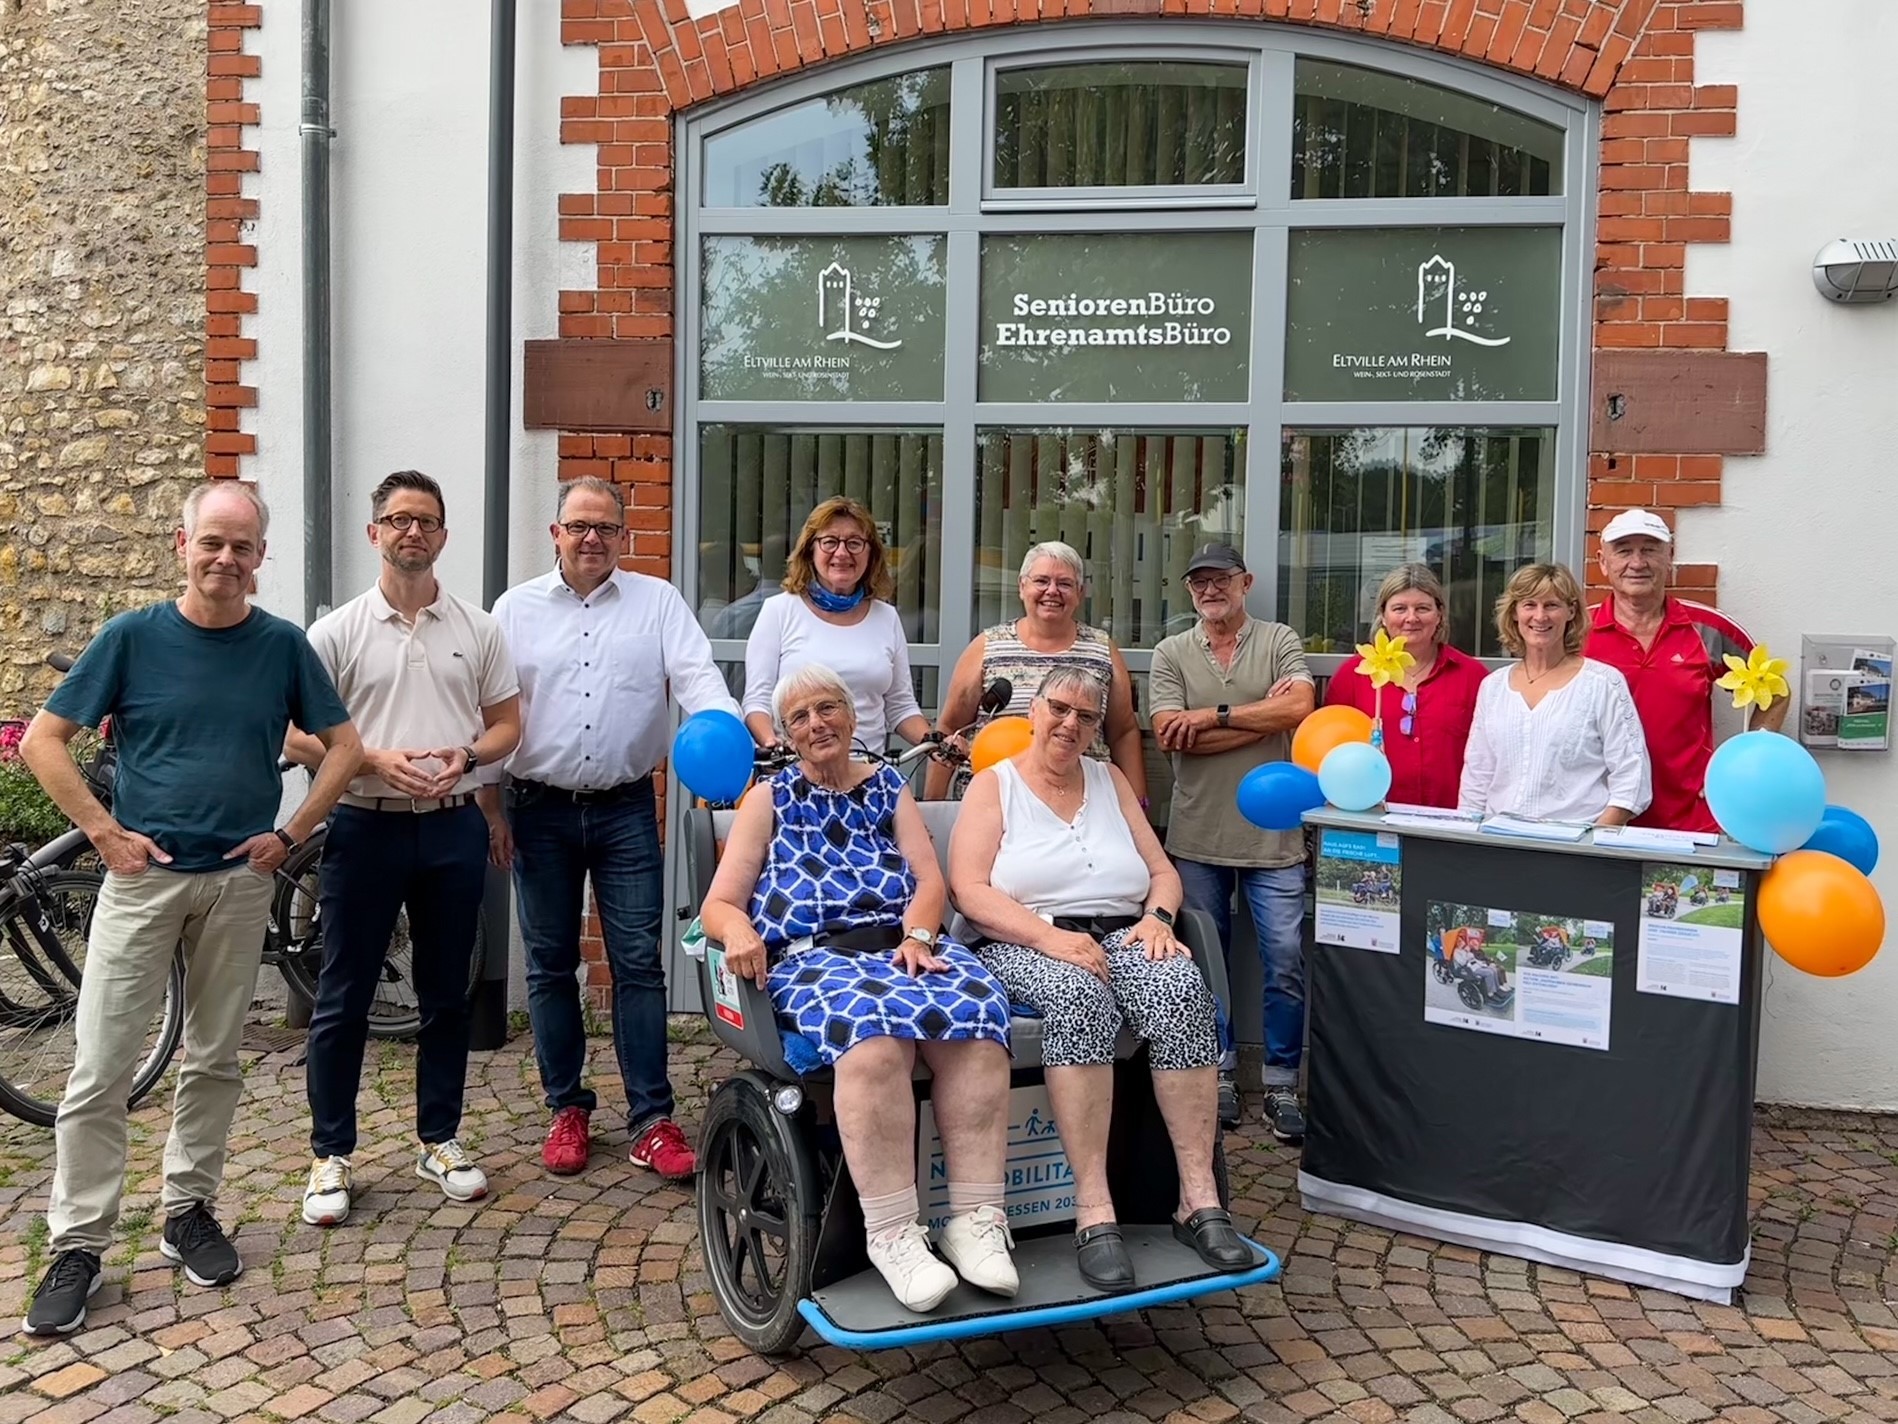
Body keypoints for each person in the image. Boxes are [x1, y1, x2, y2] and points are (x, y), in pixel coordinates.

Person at [18, 481, 359, 1336]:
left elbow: (345, 748)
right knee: (101, 1067)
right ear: (183, 545)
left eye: (242, 546)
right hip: (144, 882)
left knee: (213, 1059)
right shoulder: (132, 638)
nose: (226, 558)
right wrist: (104, 834)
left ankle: (188, 1212)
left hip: (239, 883)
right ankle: (78, 1244)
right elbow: (43, 741)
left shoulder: (281, 646)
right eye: (212, 541)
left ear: (260, 557)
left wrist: (291, 834)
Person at [699, 664, 1016, 1312]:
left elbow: (929, 881)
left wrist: (920, 937)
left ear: (851, 715)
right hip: (814, 959)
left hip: (900, 948)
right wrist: (739, 932)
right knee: (873, 1040)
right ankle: (893, 1234)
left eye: (828, 708)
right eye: (800, 717)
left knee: (978, 1022)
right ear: (787, 733)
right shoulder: (768, 799)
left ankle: (975, 1220)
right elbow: (719, 904)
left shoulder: (887, 788)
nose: (817, 724)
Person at [949, 667, 1252, 1294]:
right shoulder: (994, 785)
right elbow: (969, 891)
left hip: (1123, 933)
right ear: (1034, 712)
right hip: (1024, 940)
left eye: (1086, 717)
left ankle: (1197, 1199)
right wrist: (1049, 938)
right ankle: (1094, 1210)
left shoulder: (1110, 780)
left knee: (1180, 989)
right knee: (1079, 996)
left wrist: (1159, 919)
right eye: (1059, 709)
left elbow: (1162, 873)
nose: (1071, 724)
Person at [479, 477, 743, 1181]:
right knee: (549, 964)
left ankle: (651, 1119)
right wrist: (490, 807)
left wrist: (725, 730)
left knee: (638, 965)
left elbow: (699, 679)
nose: (592, 538)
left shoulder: (658, 603)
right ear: (556, 534)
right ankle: (566, 1107)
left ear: (625, 536)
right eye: (579, 525)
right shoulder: (514, 610)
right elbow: (491, 710)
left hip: (626, 808)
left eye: (605, 527)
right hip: (537, 808)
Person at [288, 471, 522, 1227]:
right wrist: (367, 759)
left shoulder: (478, 628)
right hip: (365, 825)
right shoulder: (336, 632)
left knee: (446, 993)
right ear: (374, 533)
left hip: (452, 824)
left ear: (444, 536)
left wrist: (467, 755)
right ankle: (330, 1153)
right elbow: (293, 733)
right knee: (343, 993)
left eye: (426, 520)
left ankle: (439, 1139)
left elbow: (507, 726)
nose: (412, 531)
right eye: (397, 519)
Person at [1147, 542, 1315, 1144]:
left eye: (1221, 579)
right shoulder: (1170, 652)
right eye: (1200, 582)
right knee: (1202, 965)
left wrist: (1213, 717)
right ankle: (1216, 1073)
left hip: (1275, 838)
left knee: (1286, 960)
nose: (1210, 590)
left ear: (1246, 582)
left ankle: (1280, 1084)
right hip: (1197, 835)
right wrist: (1260, 714)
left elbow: (1300, 707)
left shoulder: (1278, 639)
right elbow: (1170, 736)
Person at [1584, 509, 1787, 832]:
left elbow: (1774, 693)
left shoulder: (1709, 629)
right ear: (1603, 562)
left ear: (1670, 557)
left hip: (1691, 824)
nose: (1637, 563)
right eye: (1623, 551)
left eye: (1650, 550)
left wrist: (1743, 767)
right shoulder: (1577, 631)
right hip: (1599, 821)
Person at [926, 542, 1146, 804]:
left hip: (1082, 805)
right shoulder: (987, 647)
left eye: (1064, 583)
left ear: (1080, 593)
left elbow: (1123, 733)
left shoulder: (1102, 650)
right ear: (1022, 587)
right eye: (1041, 581)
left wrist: (1138, 804)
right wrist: (932, 805)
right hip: (994, 804)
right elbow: (951, 728)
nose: (1052, 591)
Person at [1460, 563, 1652, 825]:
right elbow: (1477, 777)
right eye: (1529, 605)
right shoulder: (1493, 687)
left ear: (1571, 611)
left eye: (1551, 605)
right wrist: (1468, 833)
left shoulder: (1603, 683)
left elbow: (1632, 778)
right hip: (1498, 839)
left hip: (1575, 841)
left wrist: (1594, 838)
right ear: (1514, 612)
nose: (1540, 616)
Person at [742, 498, 933, 756]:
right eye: (830, 542)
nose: (842, 553)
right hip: (798, 767)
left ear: (871, 553)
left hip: (867, 769)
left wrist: (937, 743)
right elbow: (757, 701)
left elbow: (901, 706)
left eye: (854, 543)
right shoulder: (779, 611)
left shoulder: (886, 617)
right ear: (810, 550)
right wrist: (771, 743)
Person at [1323, 563, 1486, 808]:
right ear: (1383, 615)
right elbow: (1330, 750)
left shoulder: (1472, 677)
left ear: (1439, 614)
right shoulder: (1353, 676)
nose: (1411, 618)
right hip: (1372, 816)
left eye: (1422, 608)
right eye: (1399, 608)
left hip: (1450, 818)